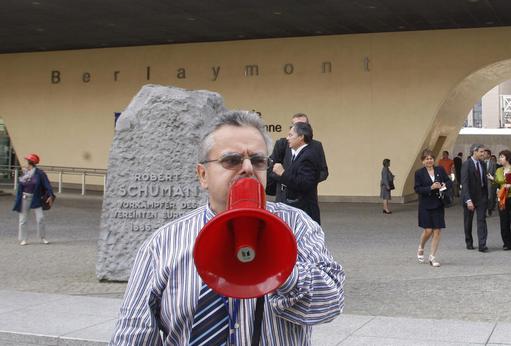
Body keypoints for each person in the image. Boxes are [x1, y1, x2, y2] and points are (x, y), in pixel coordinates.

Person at [111, 110, 345, 344]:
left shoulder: (298, 226)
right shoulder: (163, 244)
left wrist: (282, 270)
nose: (248, 168)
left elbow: (331, 304)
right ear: (203, 175)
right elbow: (133, 334)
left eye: (258, 161)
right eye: (231, 160)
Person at [267, 113, 328, 200]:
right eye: (295, 125)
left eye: (302, 125)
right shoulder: (282, 144)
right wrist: (283, 178)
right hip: (283, 196)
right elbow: (272, 169)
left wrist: (306, 180)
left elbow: (323, 172)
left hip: (305, 197)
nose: (299, 127)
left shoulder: (316, 146)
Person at [271, 122, 322, 224]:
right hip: (296, 208)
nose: (287, 138)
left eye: (290, 135)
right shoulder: (299, 154)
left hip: (304, 210)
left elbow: (305, 184)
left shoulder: (308, 156)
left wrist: (282, 173)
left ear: (301, 137)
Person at [414, 149, 452, 267]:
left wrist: (444, 185)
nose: (429, 161)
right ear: (422, 161)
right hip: (425, 204)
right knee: (428, 230)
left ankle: (432, 257)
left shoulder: (439, 169)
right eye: (426, 159)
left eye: (431, 158)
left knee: (437, 231)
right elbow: (417, 189)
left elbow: (448, 181)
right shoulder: (419, 173)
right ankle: (421, 247)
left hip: (438, 203)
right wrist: (430, 187)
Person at [13, 153, 55, 246]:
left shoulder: (40, 173)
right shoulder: (25, 172)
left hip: (36, 198)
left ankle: (42, 237)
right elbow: (21, 186)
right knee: (23, 220)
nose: (26, 163)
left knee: (40, 218)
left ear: (31, 162)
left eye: (27, 161)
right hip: (25, 198)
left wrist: (50, 195)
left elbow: (47, 185)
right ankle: (23, 239)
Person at [462, 144, 489, 252]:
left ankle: (482, 245)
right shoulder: (466, 164)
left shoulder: (482, 164)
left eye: (483, 152)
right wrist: (468, 200)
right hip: (470, 198)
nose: (483, 154)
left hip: (482, 197)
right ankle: (469, 241)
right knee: (468, 221)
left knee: (481, 220)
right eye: (481, 152)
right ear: (474, 152)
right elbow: (465, 183)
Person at [486, 151, 498, 217]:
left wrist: (492, 178)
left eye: (485, 154)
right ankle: (484, 210)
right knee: (483, 196)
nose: (484, 154)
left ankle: (489, 209)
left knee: (490, 197)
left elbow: (495, 173)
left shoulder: (493, 163)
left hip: (490, 182)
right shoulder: (482, 162)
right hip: (483, 182)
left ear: (489, 155)